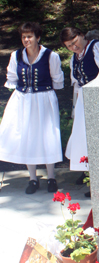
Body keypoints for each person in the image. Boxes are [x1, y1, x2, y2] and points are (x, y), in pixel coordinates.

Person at [0, 22, 63, 194]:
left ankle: (51, 177)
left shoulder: (51, 56)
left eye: (30, 36)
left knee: (47, 135)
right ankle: (33, 179)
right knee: (27, 135)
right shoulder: (16, 55)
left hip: (44, 99)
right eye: (23, 37)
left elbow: (57, 80)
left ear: (38, 37)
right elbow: (12, 77)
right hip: (22, 100)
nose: (26, 40)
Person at [60, 27, 99, 174]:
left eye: (75, 42)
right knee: (85, 138)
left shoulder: (98, 47)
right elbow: (77, 84)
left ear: (81, 35)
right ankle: (89, 172)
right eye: (69, 46)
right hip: (84, 102)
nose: (74, 47)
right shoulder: (75, 57)